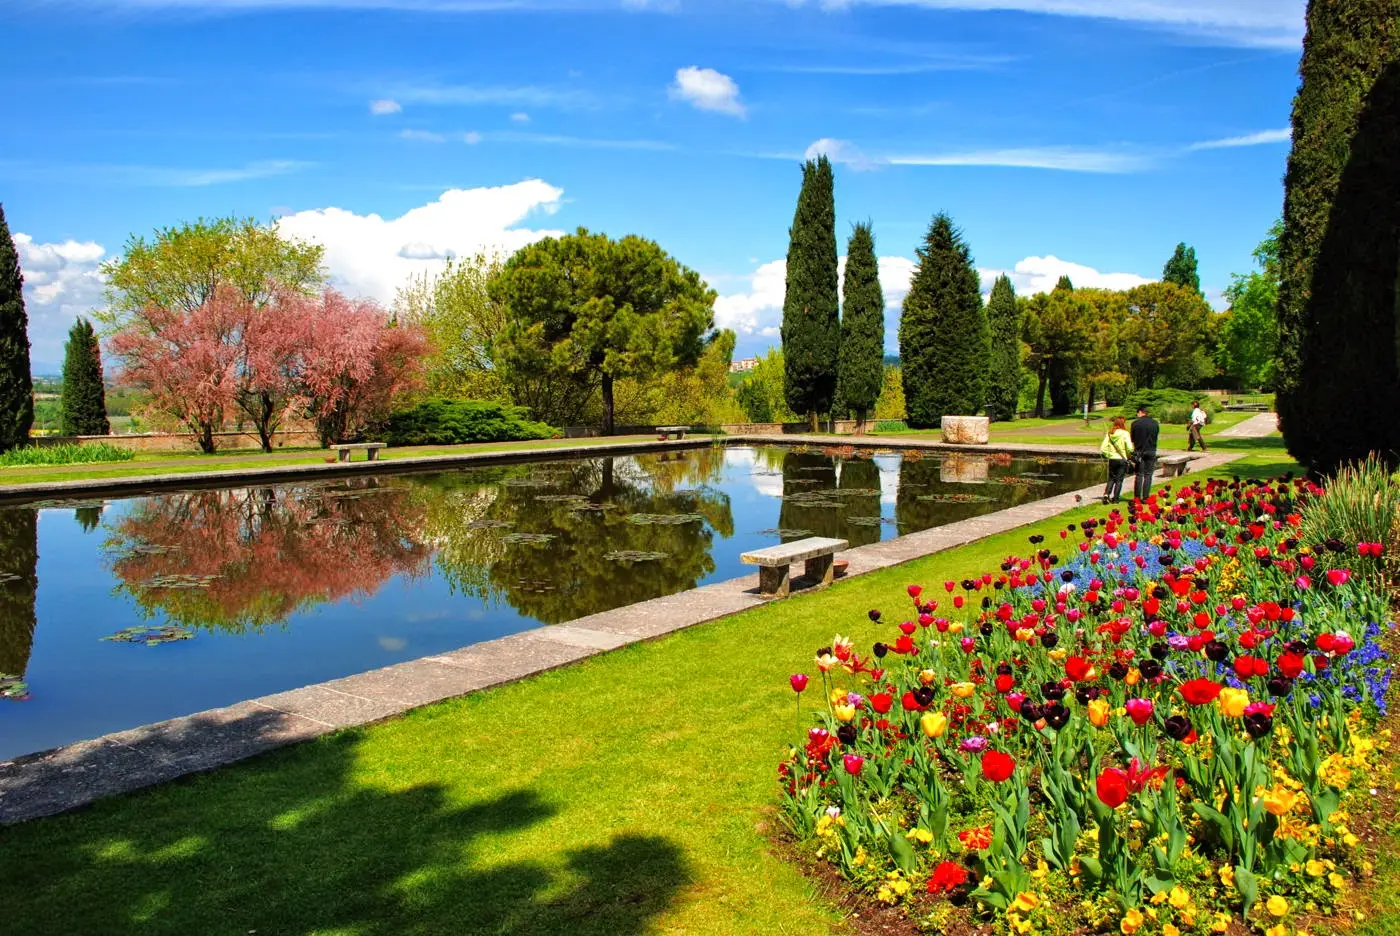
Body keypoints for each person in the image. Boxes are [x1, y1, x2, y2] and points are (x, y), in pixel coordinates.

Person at [1100, 415, 1134, 504]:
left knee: (1111, 478)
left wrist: (1109, 455)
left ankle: (1106, 494)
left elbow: (1103, 448)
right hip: (1122, 459)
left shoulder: (1110, 433)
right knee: (1119, 480)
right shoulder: (1125, 433)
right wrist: (1128, 455)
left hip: (1112, 458)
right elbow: (1130, 448)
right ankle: (1115, 499)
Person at [1131, 405, 1159, 500]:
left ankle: (1137, 497)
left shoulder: (1135, 423)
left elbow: (1133, 439)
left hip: (1139, 451)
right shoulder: (1155, 423)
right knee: (1148, 475)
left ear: (1140, 412)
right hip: (1151, 450)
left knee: (1139, 474)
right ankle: (1146, 497)